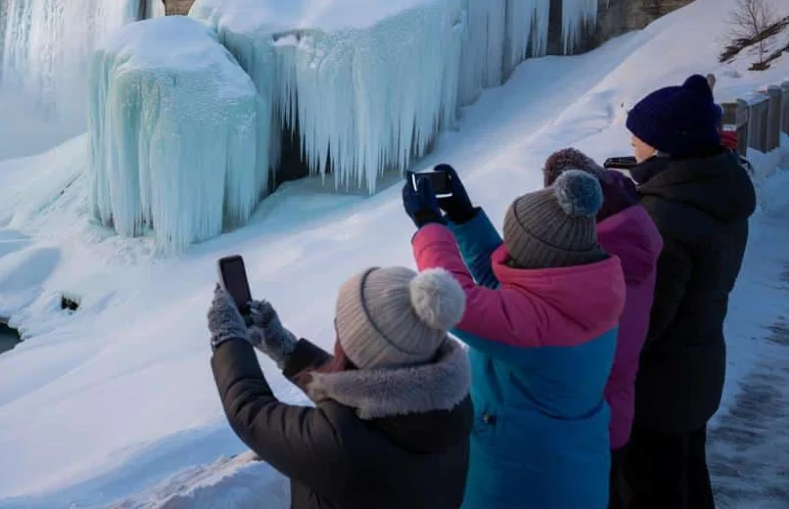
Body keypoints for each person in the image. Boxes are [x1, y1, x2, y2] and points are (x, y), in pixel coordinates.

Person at [404, 168, 625, 509]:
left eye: (513, 244)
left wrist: (429, 226)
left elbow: (451, 300)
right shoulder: (591, 289)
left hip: (523, 481)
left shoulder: (536, 327)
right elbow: (506, 292)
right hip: (573, 468)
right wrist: (464, 218)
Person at [206, 264, 473, 508]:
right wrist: (284, 347)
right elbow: (366, 389)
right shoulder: (451, 404)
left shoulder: (342, 446)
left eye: (340, 327)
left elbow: (250, 411)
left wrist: (227, 338)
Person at [621, 74, 757, 509]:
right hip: (695, 370)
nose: (632, 145)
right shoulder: (718, 191)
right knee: (688, 479)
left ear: (665, 147)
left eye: (638, 137)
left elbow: (646, 320)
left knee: (653, 490)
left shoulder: (666, 218)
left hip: (657, 389)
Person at [542, 149, 664, 508]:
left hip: (584, 427)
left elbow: (515, 318)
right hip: (615, 418)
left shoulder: (597, 265)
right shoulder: (631, 236)